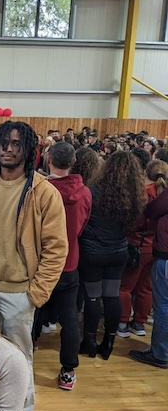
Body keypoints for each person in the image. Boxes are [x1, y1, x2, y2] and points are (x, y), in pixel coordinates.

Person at [0, 121, 68, 411]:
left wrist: (35, 294)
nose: (9, 149)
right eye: (3, 143)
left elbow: (56, 248)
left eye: (16, 144)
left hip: (19, 295)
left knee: (19, 363)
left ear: (28, 149)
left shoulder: (44, 192)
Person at [78, 151, 146, 360]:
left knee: (92, 296)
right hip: (118, 250)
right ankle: (109, 341)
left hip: (93, 251)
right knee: (111, 296)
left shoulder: (93, 190)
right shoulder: (135, 195)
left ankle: (89, 340)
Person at [44, 142, 92, 390]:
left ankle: (21, 363)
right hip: (69, 262)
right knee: (70, 318)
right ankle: (68, 371)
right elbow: (81, 227)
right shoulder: (84, 192)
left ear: (48, 160)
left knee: (30, 316)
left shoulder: (41, 189)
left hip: (42, 263)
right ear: (73, 161)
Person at [118, 160, 167, 339]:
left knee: (125, 287)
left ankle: (122, 323)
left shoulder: (142, 195)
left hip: (136, 246)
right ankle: (139, 322)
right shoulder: (164, 195)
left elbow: (135, 223)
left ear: (146, 172)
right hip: (156, 248)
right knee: (146, 289)